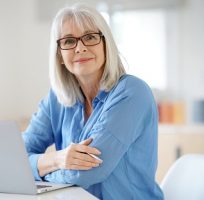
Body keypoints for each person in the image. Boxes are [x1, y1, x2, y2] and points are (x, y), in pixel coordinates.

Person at [22, 3, 164, 200]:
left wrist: (38, 170)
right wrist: (57, 159)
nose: (80, 48)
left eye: (89, 37)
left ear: (106, 44)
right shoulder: (56, 99)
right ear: (60, 55)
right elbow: (16, 157)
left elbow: (89, 171)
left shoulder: (132, 92)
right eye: (69, 41)